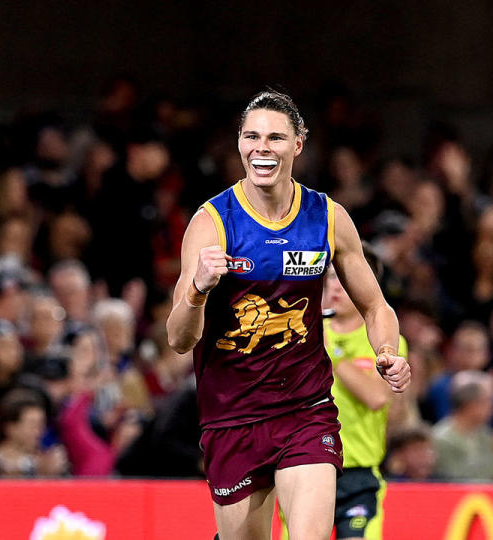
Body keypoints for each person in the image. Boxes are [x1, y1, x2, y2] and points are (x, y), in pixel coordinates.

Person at [165, 91, 411, 540]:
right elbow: (179, 339)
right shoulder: (211, 223)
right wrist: (199, 289)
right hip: (231, 417)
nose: (262, 147)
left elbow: (376, 305)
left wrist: (388, 352)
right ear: (239, 143)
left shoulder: (328, 218)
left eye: (275, 137)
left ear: (298, 144)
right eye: (251, 136)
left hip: (306, 409)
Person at [281, 263, 409, 539]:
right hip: (305, 467)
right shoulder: (298, 329)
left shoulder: (384, 340)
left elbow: (376, 396)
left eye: (345, 279)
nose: (336, 286)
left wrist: (331, 350)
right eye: (331, 278)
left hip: (357, 472)